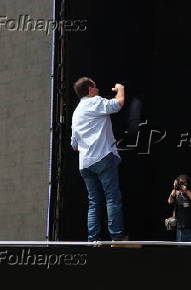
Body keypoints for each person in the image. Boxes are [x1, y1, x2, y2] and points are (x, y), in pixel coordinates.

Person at [71, 77, 127, 242]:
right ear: (90, 89)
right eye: (94, 85)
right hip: (102, 156)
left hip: (85, 163)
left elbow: (74, 145)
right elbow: (118, 103)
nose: (97, 88)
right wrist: (120, 88)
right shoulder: (94, 101)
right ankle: (117, 238)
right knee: (112, 198)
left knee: (94, 202)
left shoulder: (76, 112)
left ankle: (93, 241)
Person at [167, 175, 191, 242]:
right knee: (181, 249)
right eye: (181, 183)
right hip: (181, 226)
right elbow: (170, 202)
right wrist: (173, 193)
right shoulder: (176, 192)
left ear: (187, 183)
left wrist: (189, 194)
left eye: (184, 182)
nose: (182, 184)